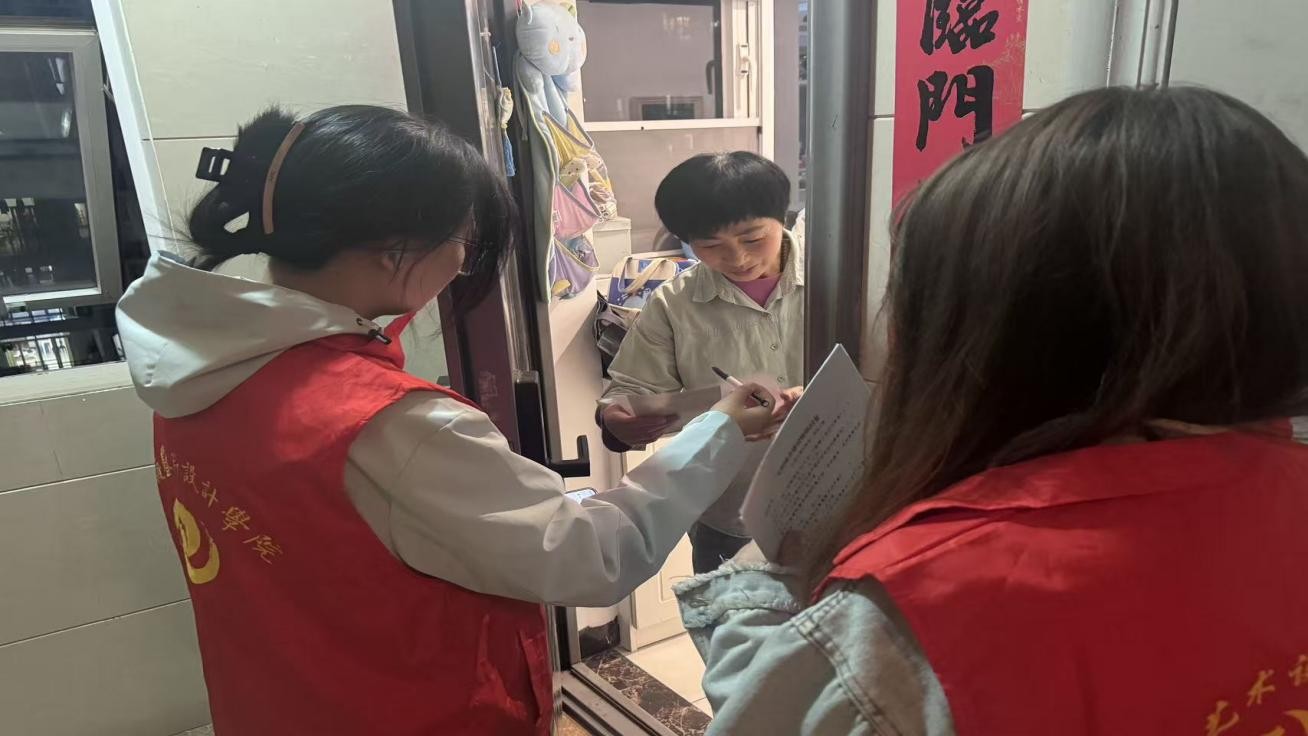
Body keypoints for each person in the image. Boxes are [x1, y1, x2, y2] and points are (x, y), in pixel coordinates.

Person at [115, 105, 778, 736]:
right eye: (464, 238)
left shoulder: (199, 368)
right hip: (416, 711)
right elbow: (593, 555)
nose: (464, 261)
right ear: (396, 249)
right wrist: (719, 429)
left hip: (281, 702)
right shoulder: (394, 425)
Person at [673, 87, 1308, 734]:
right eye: (711, 245)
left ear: (995, 336)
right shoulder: (1284, 482)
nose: (737, 256)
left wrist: (768, 582)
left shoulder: (925, 604)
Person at [598, 151, 804, 573]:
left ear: (781, 217)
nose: (738, 258)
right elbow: (628, 392)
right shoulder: (675, 304)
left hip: (849, 502)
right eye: (710, 246)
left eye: (753, 239)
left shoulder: (844, 274)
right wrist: (616, 421)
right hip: (730, 513)